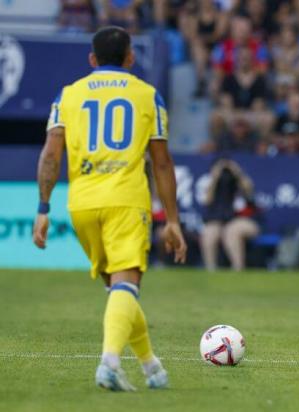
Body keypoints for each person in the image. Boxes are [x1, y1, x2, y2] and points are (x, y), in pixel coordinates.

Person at [32, 26, 187, 391]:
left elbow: (51, 154)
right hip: (125, 200)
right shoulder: (147, 95)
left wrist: (42, 208)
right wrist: (174, 220)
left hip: (82, 203)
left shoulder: (68, 94)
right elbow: (161, 163)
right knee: (127, 285)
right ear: (130, 58)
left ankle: (152, 368)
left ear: (92, 59)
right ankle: (109, 365)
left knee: (118, 289)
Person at [200, 159, 260, 272]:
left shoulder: (240, 180)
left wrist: (236, 172)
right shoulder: (215, 185)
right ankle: (210, 269)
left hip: (245, 221)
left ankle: (238, 268)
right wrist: (215, 177)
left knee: (232, 231)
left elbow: (249, 190)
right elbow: (207, 201)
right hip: (221, 221)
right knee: (209, 233)